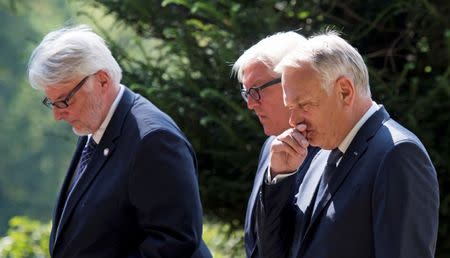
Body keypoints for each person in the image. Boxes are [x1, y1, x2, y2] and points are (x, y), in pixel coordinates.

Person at [27, 24, 211, 258]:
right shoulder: (95, 124)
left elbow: (174, 242)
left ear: (102, 80)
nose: (57, 114)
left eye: (64, 101)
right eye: (52, 103)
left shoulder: (153, 139)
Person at [258, 31, 439, 258]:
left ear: (345, 91)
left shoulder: (398, 154)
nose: (293, 121)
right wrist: (280, 178)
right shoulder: (319, 151)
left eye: (304, 105)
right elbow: (274, 253)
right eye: (290, 107)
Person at [232, 31, 318, 258]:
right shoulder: (272, 143)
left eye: (257, 91)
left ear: (292, 82)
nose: (250, 104)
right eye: (246, 93)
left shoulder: (331, 148)